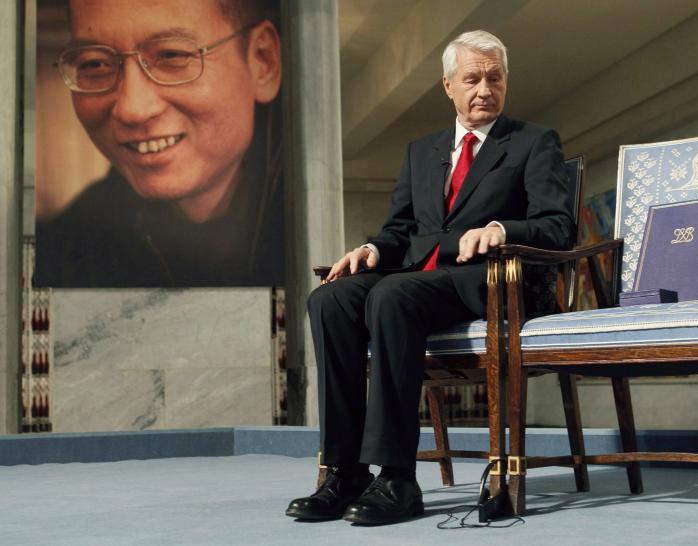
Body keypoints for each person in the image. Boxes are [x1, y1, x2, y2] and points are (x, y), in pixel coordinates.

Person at [286, 30, 575, 525]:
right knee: (329, 301)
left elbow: (558, 225)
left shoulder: (532, 141)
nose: (485, 89)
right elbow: (400, 229)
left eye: (495, 77)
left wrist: (501, 228)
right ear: (448, 85)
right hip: (417, 277)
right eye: (472, 78)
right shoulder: (422, 151)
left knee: (393, 296)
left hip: (487, 282)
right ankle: (345, 470)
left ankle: (397, 477)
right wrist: (371, 249)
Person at [35, 0, 283, 287]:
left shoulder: (325, 219)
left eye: (171, 55)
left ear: (263, 61)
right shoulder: (63, 254)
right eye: (95, 63)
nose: (132, 109)